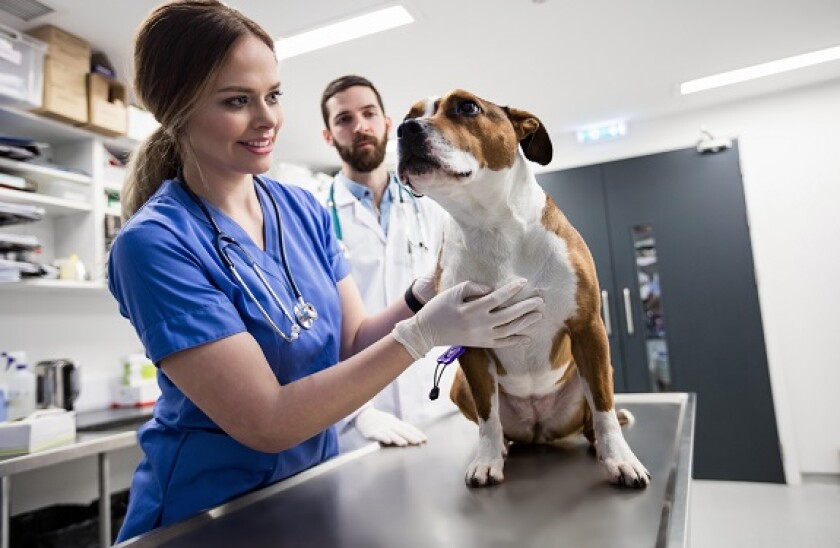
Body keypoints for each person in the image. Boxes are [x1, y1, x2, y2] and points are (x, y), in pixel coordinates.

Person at [109, 0, 544, 541]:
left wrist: (426, 292)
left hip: (306, 490)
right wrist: (428, 330)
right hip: (203, 517)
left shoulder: (301, 210)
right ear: (178, 111)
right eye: (237, 101)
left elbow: (353, 340)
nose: (266, 118)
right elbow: (267, 422)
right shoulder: (155, 244)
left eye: (272, 95)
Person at [320, 75, 456, 452]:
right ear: (329, 136)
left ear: (386, 122)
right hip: (363, 421)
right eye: (343, 119)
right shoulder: (316, 217)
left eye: (368, 113)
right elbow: (320, 333)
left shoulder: (433, 206)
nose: (359, 126)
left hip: (440, 401)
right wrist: (359, 412)